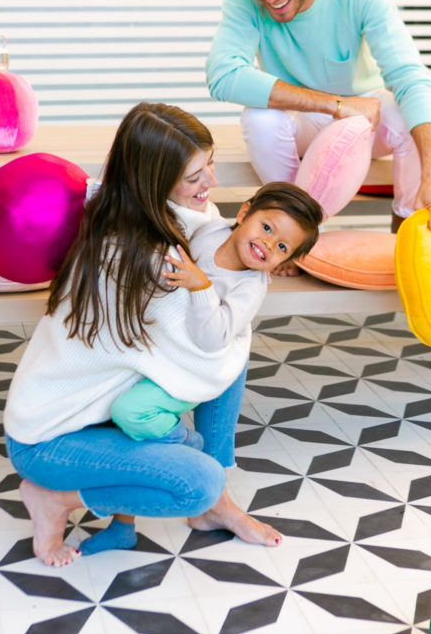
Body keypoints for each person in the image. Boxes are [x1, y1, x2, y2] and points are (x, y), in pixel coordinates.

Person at [3, 102, 282, 567]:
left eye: (209, 164)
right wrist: (250, 284)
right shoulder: (144, 258)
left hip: (99, 412)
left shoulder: (161, 214)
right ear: (155, 183)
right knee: (198, 481)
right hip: (50, 439)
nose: (210, 183)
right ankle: (54, 499)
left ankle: (217, 507)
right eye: (194, 176)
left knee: (227, 332)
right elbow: (209, 349)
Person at [206, 0, 431, 235]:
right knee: (259, 118)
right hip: (302, 118)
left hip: (368, 116)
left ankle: (407, 231)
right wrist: (336, 104)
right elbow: (223, 75)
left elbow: (409, 75)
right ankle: (292, 233)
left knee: (403, 113)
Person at [110, 181, 322, 446]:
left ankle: (187, 442)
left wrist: (201, 287)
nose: (268, 244)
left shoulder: (249, 287)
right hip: (165, 348)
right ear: (244, 214)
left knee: (130, 411)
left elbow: (213, 339)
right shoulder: (213, 230)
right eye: (266, 228)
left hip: (196, 368)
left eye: (282, 248)